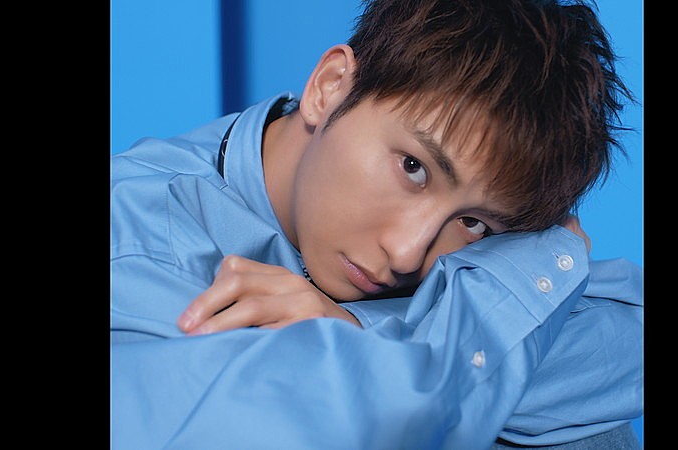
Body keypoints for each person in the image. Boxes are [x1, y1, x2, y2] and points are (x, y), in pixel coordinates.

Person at [110, 0, 643, 448]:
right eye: (413, 167)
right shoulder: (136, 238)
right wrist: (384, 355)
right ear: (330, 87)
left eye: (474, 223)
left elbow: (627, 340)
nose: (408, 254)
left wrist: (359, 335)